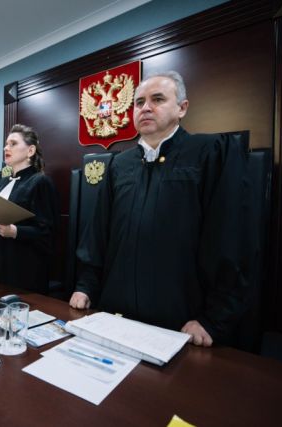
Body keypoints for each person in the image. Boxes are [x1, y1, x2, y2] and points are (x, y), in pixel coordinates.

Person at [69, 71, 251, 347]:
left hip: (183, 321)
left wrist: (213, 319)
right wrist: (86, 286)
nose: (146, 108)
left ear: (182, 108)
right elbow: (98, 232)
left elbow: (230, 238)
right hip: (115, 312)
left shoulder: (211, 152)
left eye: (157, 99)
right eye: (139, 102)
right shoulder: (119, 165)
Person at [0, 124, 58, 294]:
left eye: (13, 144)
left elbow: (47, 232)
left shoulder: (40, 182)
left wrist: (15, 231)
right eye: (6, 144)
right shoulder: (1, 182)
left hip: (23, 271)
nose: (6, 148)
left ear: (30, 151)